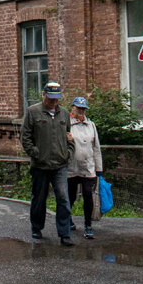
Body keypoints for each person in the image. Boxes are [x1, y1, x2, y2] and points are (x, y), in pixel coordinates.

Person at [20, 81, 75, 246]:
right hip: (40, 165)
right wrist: (35, 154)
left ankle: (65, 234)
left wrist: (68, 153)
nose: (54, 102)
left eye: (56, 98)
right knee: (39, 198)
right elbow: (25, 137)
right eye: (50, 98)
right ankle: (36, 227)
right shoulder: (32, 112)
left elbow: (69, 136)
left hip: (60, 164)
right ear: (43, 95)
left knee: (63, 198)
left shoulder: (64, 114)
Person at [66, 95, 103, 239]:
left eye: (83, 109)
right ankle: (67, 220)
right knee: (70, 196)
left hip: (88, 168)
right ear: (72, 108)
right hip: (71, 167)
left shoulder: (91, 125)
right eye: (78, 108)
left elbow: (96, 148)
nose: (81, 111)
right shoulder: (67, 124)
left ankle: (88, 225)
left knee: (88, 195)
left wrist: (99, 169)